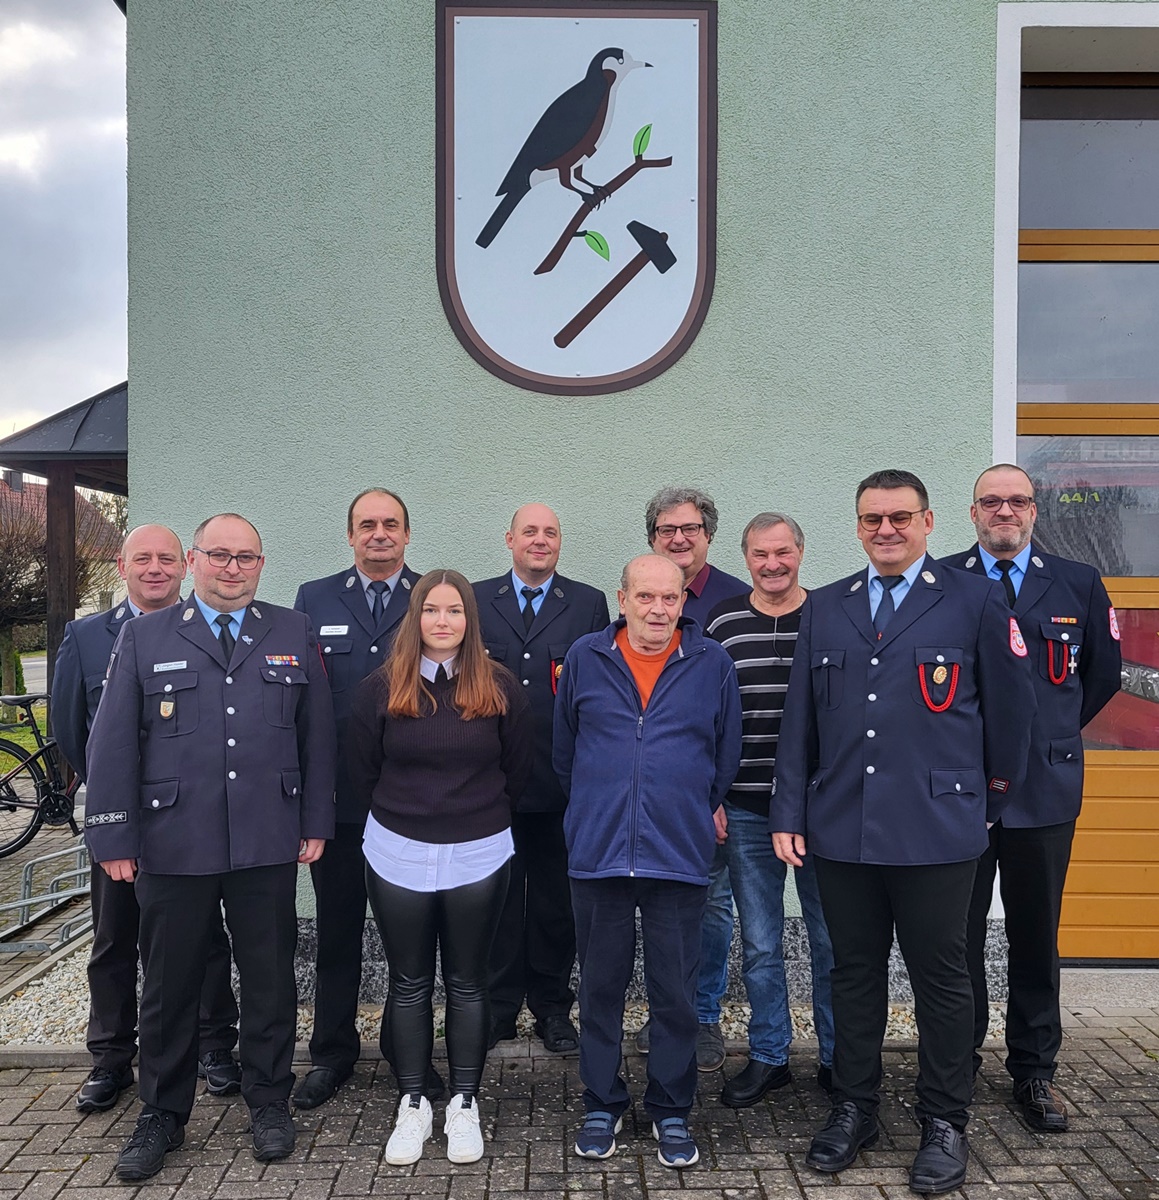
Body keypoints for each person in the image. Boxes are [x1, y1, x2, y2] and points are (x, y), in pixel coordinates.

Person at [772, 469, 1035, 1196]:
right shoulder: (827, 605)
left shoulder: (975, 599)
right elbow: (801, 720)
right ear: (857, 526)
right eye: (871, 519)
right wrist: (789, 812)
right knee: (852, 973)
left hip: (936, 828)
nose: (884, 530)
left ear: (927, 522)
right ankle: (855, 1107)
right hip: (842, 827)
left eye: (898, 517)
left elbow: (1012, 714)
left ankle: (944, 1120)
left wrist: (988, 800)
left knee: (940, 979)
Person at [84, 514, 336, 1181]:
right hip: (174, 840)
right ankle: (161, 1112)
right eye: (219, 555)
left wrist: (316, 819)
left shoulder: (292, 630)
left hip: (266, 837)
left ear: (261, 565)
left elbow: (316, 736)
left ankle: (269, 1101)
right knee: (169, 985)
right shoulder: (145, 635)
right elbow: (113, 742)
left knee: (269, 978)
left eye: (245, 557)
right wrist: (113, 833)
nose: (232, 568)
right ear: (194, 561)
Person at [944, 463, 1121, 1132]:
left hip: (1044, 789)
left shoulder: (1077, 582)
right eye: (990, 501)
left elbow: (1100, 678)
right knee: (955, 936)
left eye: (1017, 501)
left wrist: (1047, 735)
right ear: (972, 513)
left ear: (1034, 511)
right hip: (961, 791)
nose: (1004, 512)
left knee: (1035, 934)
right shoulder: (943, 580)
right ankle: (956, 1062)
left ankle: (1034, 1070)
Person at [554, 554, 741, 1169]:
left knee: (675, 993)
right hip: (599, 852)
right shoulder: (586, 657)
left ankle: (671, 1108)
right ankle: (601, 1102)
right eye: (645, 597)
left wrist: (686, 807)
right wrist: (598, 807)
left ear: (683, 601)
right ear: (623, 599)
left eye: (670, 598)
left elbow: (725, 754)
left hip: (677, 851)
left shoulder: (711, 662)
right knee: (600, 988)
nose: (658, 610)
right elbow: (565, 752)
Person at [53, 525, 240, 1114]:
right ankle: (111, 1057)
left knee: (204, 935)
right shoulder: (86, 637)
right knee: (114, 937)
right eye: (142, 559)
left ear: (185, 566)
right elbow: (72, 729)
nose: (155, 568)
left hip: (187, 821)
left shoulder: (209, 631)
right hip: (121, 820)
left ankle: (214, 1044)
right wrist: (116, 803)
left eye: (166, 559)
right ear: (121, 566)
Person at [348, 570, 532, 1167]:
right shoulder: (379, 688)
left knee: (468, 982)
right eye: (432, 610)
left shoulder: (500, 686)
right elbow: (362, 770)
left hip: (478, 852)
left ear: (469, 619)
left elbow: (517, 769)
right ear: (415, 617)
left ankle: (463, 1103)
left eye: (455, 610)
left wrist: (474, 815)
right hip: (398, 851)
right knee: (408, 983)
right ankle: (413, 1105)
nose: (443, 621)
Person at [292, 488, 437, 1111]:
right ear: (350, 535)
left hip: (412, 801)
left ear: (407, 535)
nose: (380, 534)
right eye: (367, 524)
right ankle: (331, 1053)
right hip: (340, 803)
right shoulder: (314, 598)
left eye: (391, 524)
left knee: (414, 939)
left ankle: (411, 1056)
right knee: (337, 931)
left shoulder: (433, 597)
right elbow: (300, 701)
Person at [703, 512, 835, 1107]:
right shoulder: (722, 621)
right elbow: (704, 715)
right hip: (747, 808)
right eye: (760, 554)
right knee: (759, 941)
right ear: (746, 558)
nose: (772, 564)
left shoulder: (830, 616)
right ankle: (770, 1056)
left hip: (819, 809)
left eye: (783, 552)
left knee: (830, 941)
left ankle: (837, 1059)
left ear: (800, 552)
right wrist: (711, 796)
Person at [474, 503, 609, 1054]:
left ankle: (553, 1007)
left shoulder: (587, 603)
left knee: (557, 903)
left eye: (550, 532)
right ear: (509, 539)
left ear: (559, 542)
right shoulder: (476, 600)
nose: (540, 540)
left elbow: (600, 691)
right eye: (529, 531)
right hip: (491, 782)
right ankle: (499, 1007)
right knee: (498, 900)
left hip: (561, 783)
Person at [642, 486, 748, 1070]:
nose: (679, 538)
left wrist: (717, 795)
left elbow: (734, 712)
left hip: (713, 795)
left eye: (690, 529)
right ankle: (666, 1012)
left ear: (708, 535)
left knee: (710, 905)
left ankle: (702, 1016)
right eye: (667, 530)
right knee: (660, 904)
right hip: (655, 792)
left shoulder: (736, 600)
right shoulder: (643, 596)